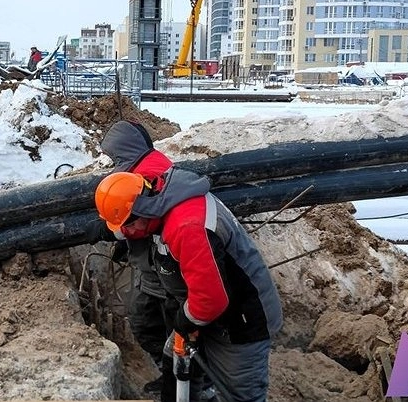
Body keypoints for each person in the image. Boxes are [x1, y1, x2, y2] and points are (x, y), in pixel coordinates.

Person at [95, 166, 283, 402]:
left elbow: (210, 299)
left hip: (240, 324)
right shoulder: (162, 202)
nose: (125, 233)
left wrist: (187, 318)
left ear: (143, 210)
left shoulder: (187, 226)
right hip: (210, 315)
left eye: (127, 226)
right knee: (176, 364)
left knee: (239, 395)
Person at [99, 120, 215, 401]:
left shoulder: (148, 172)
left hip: (165, 270)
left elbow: (144, 219)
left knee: (173, 330)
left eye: (113, 156)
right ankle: (173, 375)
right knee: (148, 322)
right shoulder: (141, 166)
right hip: (153, 269)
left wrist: (114, 228)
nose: (111, 163)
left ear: (125, 151)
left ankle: (195, 383)